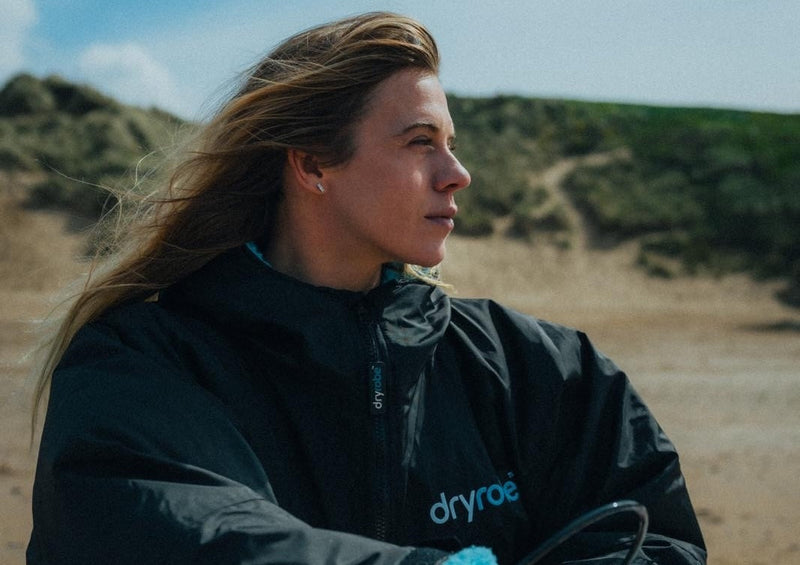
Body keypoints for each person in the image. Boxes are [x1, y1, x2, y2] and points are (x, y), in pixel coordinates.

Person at [28, 12, 706, 565]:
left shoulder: (532, 367)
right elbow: (183, 534)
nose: (457, 173)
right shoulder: (142, 363)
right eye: (420, 141)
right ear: (313, 164)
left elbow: (655, 535)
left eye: (450, 141)